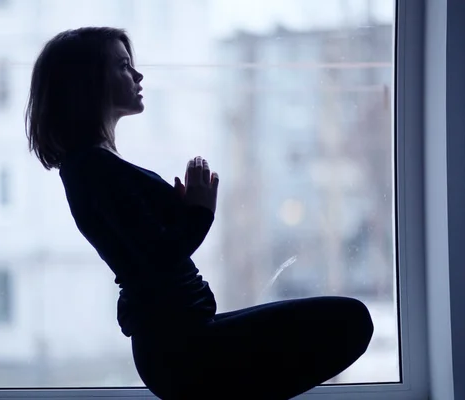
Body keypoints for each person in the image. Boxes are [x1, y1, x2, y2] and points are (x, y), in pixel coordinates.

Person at [25, 27, 374, 400]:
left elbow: (144, 250)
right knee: (348, 322)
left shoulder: (94, 165)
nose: (138, 76)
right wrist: (199, 212)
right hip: (181, 349)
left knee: (344, 322)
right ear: (87, 83)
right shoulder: (91, 168)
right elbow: (155, 261)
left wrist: (178, 212)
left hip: (180, 341)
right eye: (124, 66)